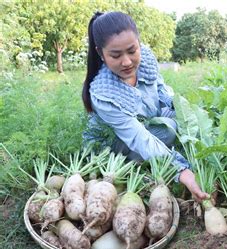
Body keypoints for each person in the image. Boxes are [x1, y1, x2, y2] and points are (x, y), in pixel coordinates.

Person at [81, 11, 208, 202]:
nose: (127, 62)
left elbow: (163, 91)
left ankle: (163, 153)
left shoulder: (146, 61)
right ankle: (142, 161)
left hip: (149, 121)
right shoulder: (104, 94)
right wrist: (181, 170)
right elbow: (139, 137)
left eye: (132, 51)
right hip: (116, 143)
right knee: (169, 130)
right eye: (116, 55)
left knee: (182, 121)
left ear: (139, 43)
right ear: (100, 53)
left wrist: (186, 114)